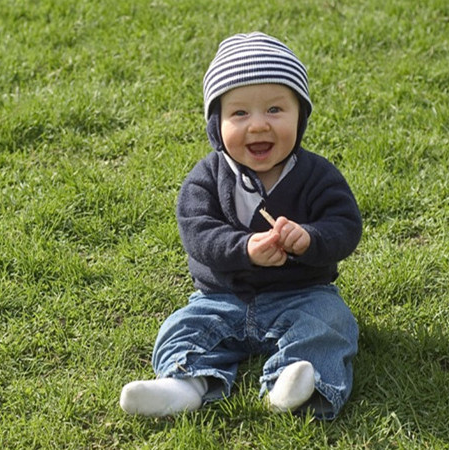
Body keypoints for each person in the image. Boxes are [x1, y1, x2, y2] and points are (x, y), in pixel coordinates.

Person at [119, 32, 363, 420]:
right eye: (240, 114)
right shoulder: (206, 177)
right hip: (221, 296)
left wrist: (310, 239)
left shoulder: (317, 174)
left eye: (275, 110)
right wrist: (244, 248)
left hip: (301, 294)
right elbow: (198, 232)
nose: (258, 126)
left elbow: (345, 224)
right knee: (183, 326)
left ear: (301, 116)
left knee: (331, 323)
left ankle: (295, 383)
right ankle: (184, 384)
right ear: (217, 124)